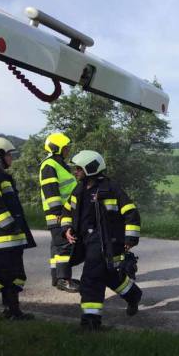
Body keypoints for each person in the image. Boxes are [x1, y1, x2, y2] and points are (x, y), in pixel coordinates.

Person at [60, 150, 142, 330]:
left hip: (106, 241)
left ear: (90, 169)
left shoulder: (111, 188)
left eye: (79, 169)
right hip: (86, 241)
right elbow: (67, 211)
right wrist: (66, 229)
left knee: (90, 278)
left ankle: (90, 322)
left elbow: (131, 213)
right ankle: (133, 295)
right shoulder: (79, 188)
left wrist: (130, 238)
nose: (75, 172)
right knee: (110, 276)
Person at [0, 137, 36, 320]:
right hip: (4, 240)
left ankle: (11, 311)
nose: (11, 158)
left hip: (9, 240)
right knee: (10, 277)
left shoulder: (2, 175)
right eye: (9, 154)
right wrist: (11, 226)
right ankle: (13, 312)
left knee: (11, 277)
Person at [39, 132, 79, 292]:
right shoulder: (49, 165)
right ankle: (64, 280)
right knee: (64, 246)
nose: (68, 150)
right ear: (58, 148)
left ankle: (57, 278)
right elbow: (50, 189)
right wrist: (59, 212)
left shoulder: (59, 163)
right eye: (66, 148)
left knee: (57, 246)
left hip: (61, 212)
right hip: (59, 213)